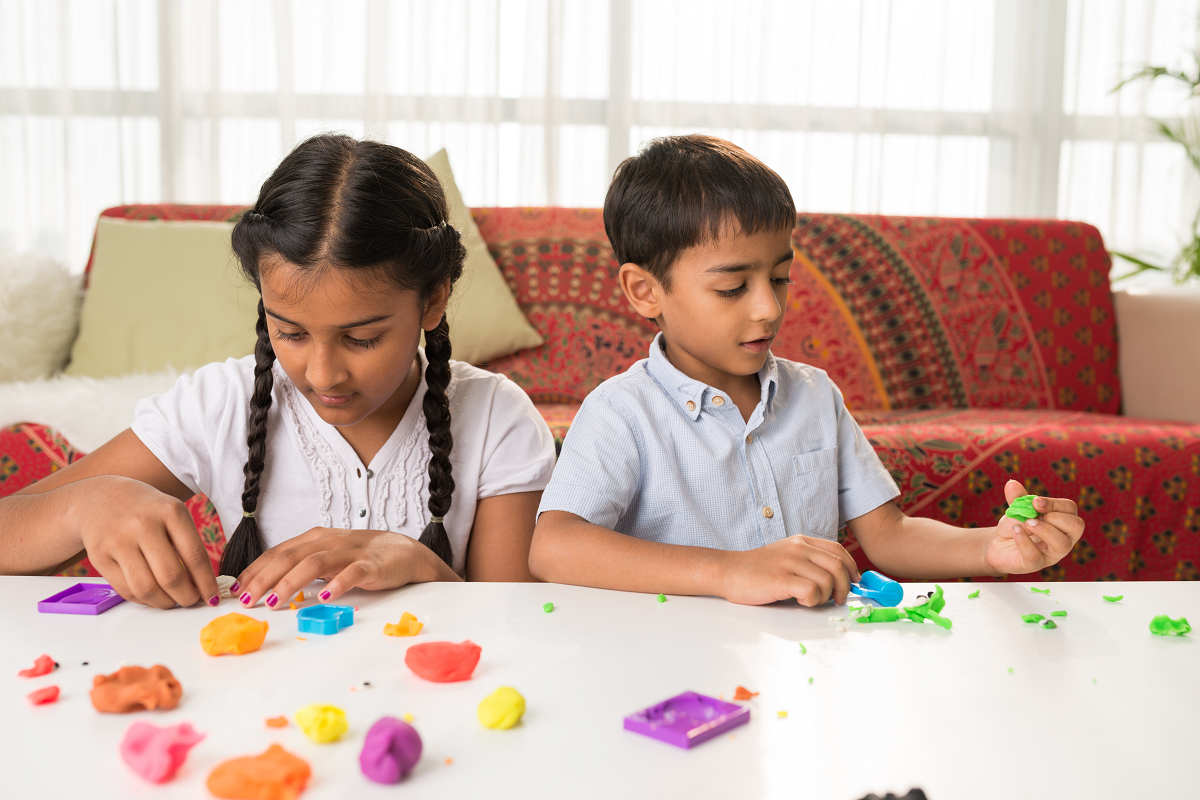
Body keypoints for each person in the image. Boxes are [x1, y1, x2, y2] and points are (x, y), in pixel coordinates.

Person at [0, 135, 556, 610]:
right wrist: (85, 502)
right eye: (288, 332)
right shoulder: (220, 403)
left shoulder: (496, 418)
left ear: (433, 301)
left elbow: (515, 625)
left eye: (361, 338)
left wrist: (423, 567)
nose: (322, 373)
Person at [529, 134, 1085, 606]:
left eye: (779, 278)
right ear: (644, 290)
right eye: (731, 287)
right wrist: (730, 571)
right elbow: (554, 547)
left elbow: (888, 536)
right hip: (675, 671)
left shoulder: (815, 395)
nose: (768, 308)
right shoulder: (622, 411)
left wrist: (992, 547)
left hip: (806, 671)